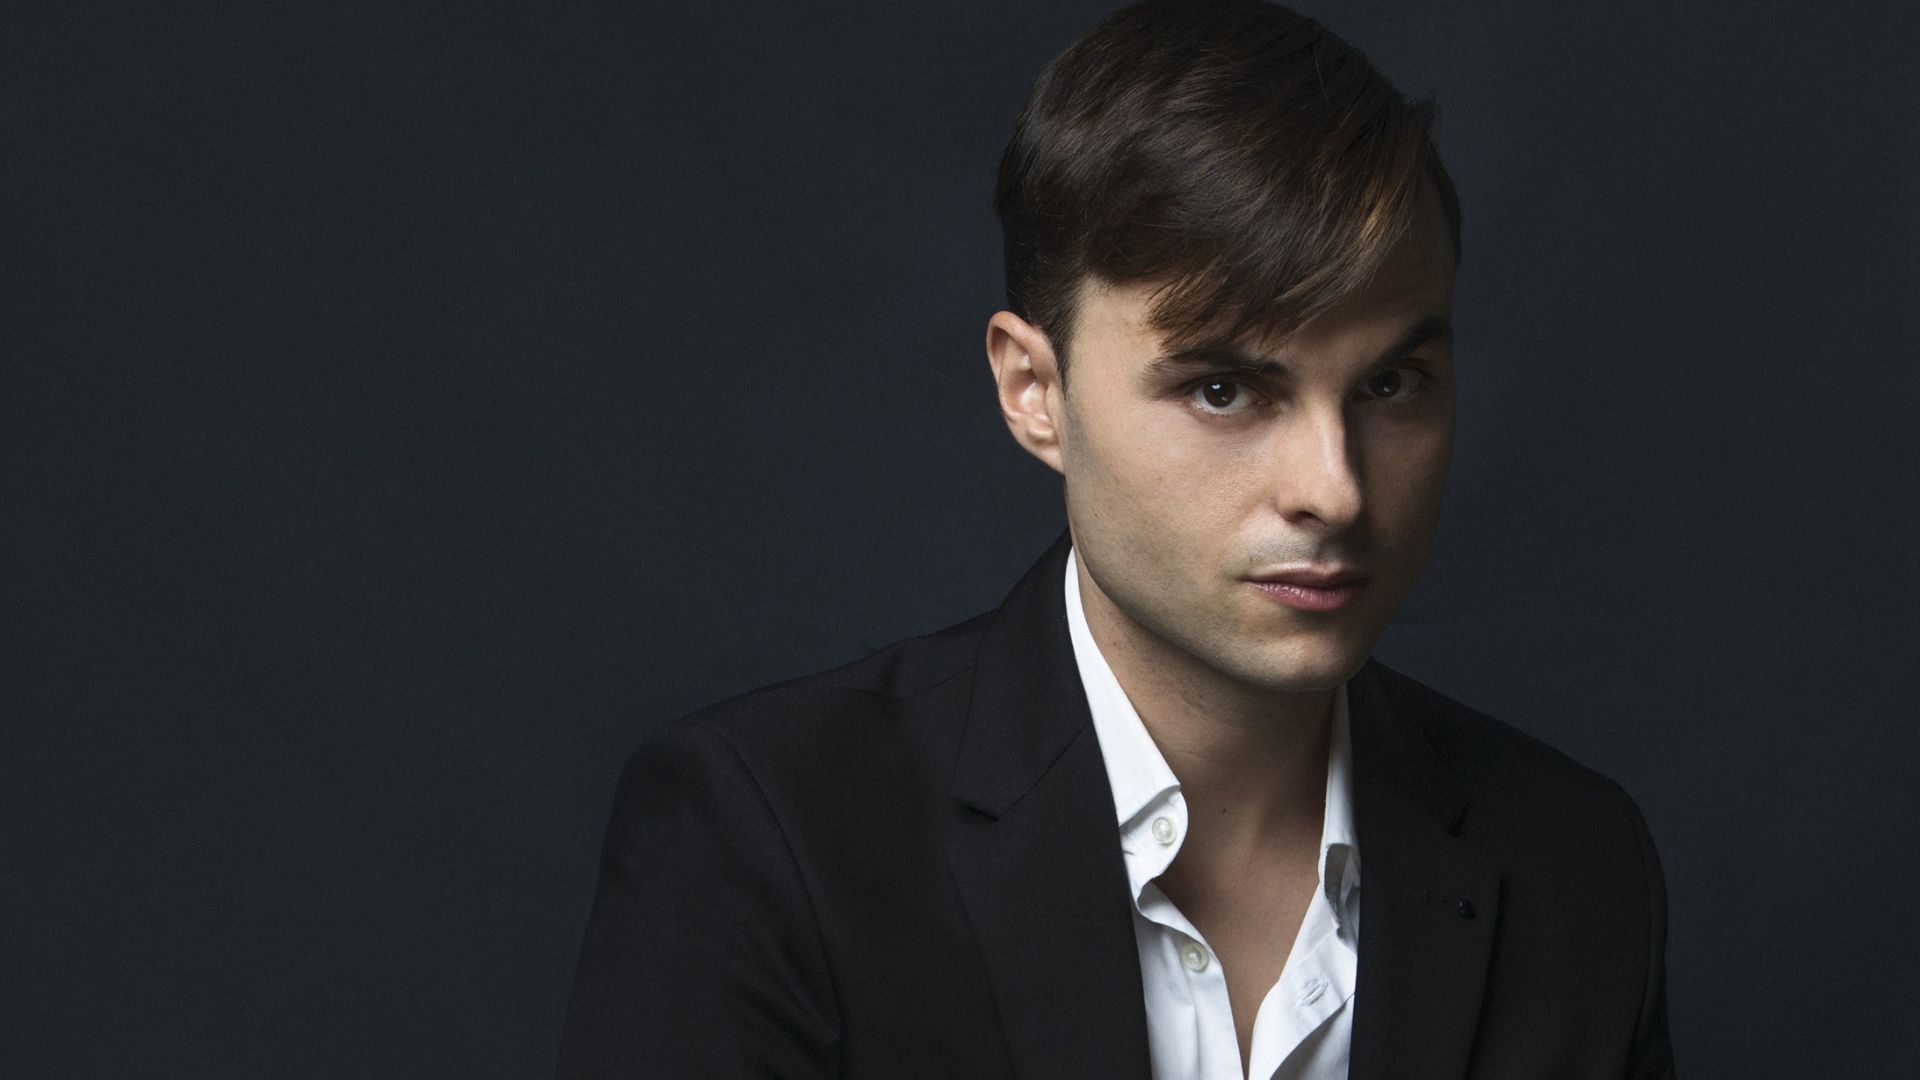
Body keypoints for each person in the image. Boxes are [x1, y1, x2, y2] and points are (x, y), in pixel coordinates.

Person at [555, 1, 1675, 1077]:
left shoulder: (1574, 868)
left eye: (1390, 384)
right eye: (1225, 390)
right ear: (1033, 391)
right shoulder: (771, 840)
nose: (1334, 492)